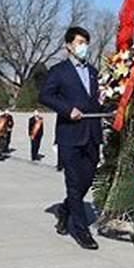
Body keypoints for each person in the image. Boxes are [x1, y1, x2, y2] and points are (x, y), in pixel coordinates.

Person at [39, 26, 103, 250]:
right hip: (70, 135)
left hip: (92, 134)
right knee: (74, 184)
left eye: (85, 42)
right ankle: (81, 230)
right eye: (79, 42)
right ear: (68, 45)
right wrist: (67, 110)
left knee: (87, 180)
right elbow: (45, 95)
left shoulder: (94, 72)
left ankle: (66, 209)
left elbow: (100, 101)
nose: (83, 47)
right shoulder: (59, 71)